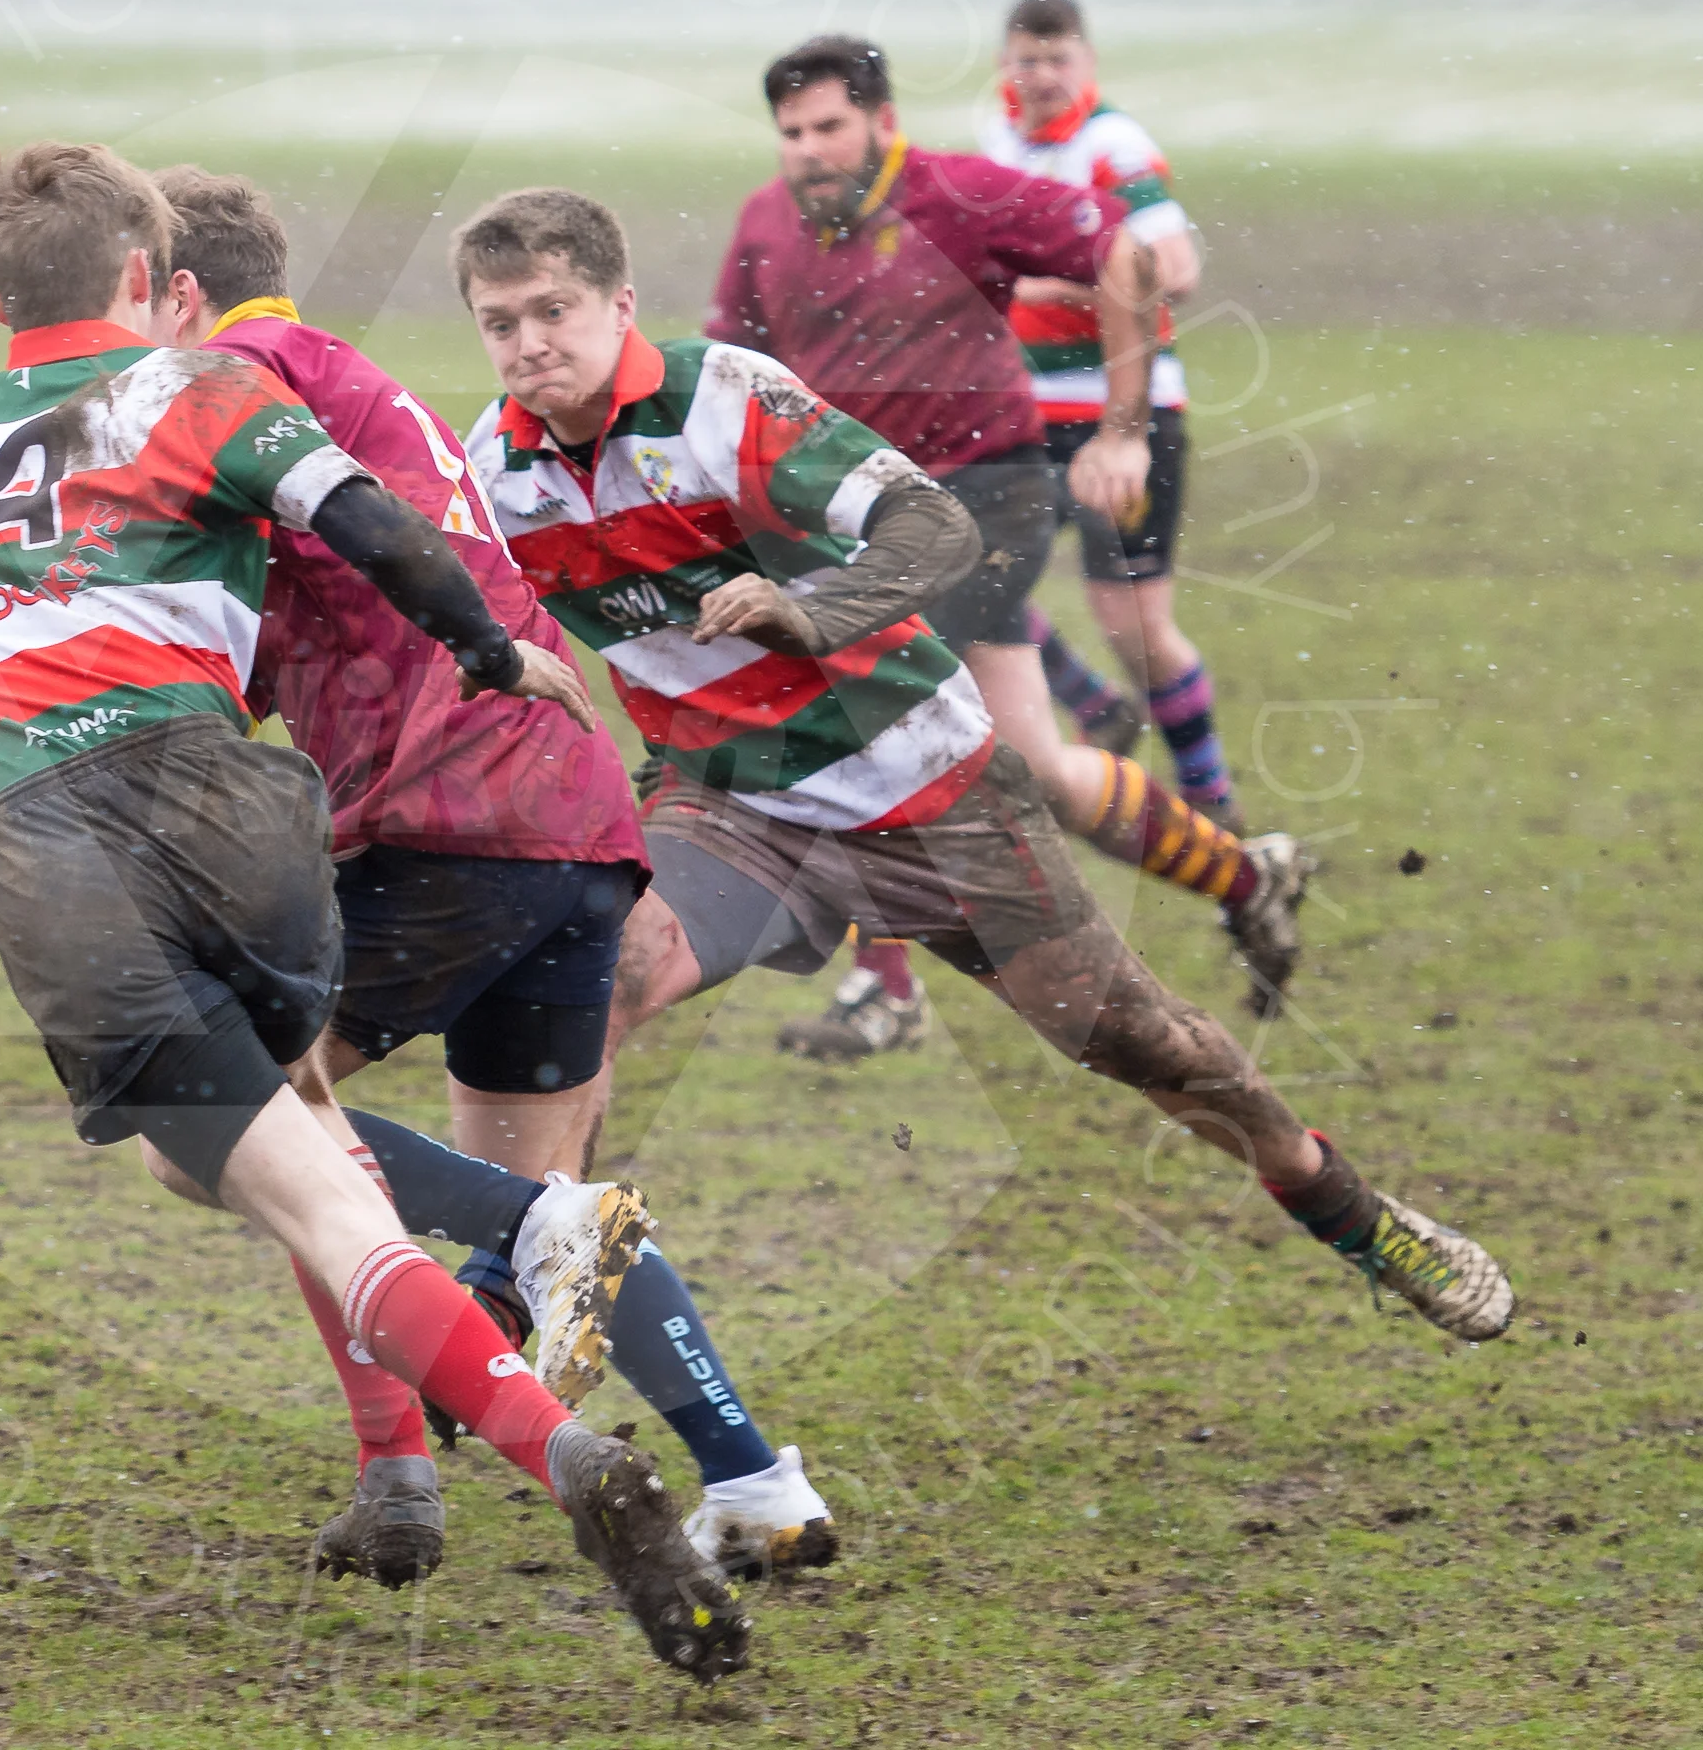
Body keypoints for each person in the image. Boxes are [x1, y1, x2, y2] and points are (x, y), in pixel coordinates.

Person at [0, 139, 749, 1683]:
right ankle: (435, 1470)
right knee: (324, 1148)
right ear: (138, 285)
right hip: (261, 808)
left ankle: (532, 1401)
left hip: (61, 838)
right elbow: (367, 525)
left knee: (282, 1178)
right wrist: (499, 653)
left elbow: (52, 486)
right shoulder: (223, 394)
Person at [453, 186, 1515, 1348]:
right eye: (500, 323)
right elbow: (454, 624)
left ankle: (1357, 1213)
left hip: (929, 789)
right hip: (732, 807)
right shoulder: (492, 473)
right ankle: (532, 1283)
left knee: (1142, 1042)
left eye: (552, 310)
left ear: (619, 302)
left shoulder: (725, 402)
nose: (528, 344)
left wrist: (809, 610)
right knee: (592, 969)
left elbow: (933, 529)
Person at [153, 165, 835, 1582]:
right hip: (570, 825)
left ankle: (417, 1442)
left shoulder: (225, 378)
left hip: (448, 821)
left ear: (172, 293)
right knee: (503, 1204)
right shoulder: (338, 381)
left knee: (215, 1120)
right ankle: (755, 1480)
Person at [709, 36, 1313, 1047]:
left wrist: (1123, 428)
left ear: (881, 122)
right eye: (792, 132)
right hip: (858, 517)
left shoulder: (961, 195)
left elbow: (1125, 254)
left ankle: (885, 985)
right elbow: (734, 371)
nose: (810, 149)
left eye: (829, 127)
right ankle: (1246, 873)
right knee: (1036, 762)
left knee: (860, 700)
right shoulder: (766, 223)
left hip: (984, 498)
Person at [980, 0, 1245, 833]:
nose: (1045, 76)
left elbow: (1177, 267)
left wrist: (1050, 282)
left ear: (1087, 65)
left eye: (1059, 60)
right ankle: (1094, 704)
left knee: (1132, 626)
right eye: (1029, 60)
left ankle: (1209, 795)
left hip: (1123, 418)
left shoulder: (1114, 145)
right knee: (966, 574)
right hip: (1023, 413)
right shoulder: (998, 141)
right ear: (1006, 68)